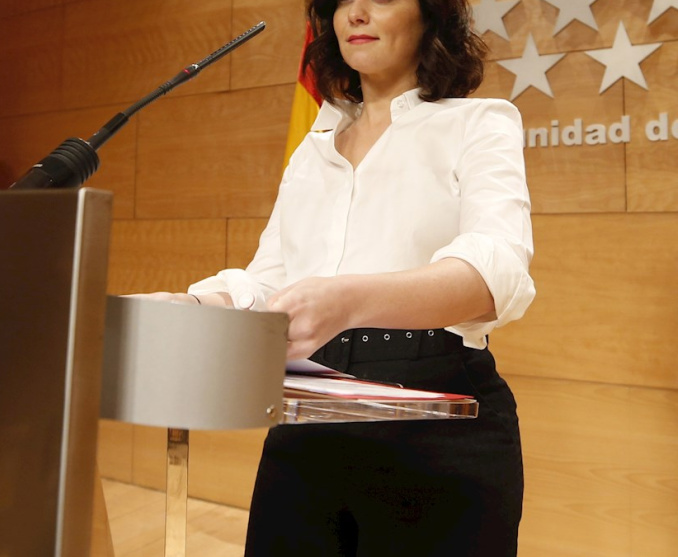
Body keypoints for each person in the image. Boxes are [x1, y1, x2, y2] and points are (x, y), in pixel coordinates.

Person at [145, 0, 534, 554]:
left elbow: (496, 273)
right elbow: (271, 281)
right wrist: (195, 307)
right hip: (306, 412)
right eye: (343, 0)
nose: (356, 12)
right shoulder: (313, 149)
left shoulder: (479, 122)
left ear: (431, 16)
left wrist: (351, 301)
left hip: (439, 419)